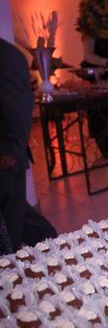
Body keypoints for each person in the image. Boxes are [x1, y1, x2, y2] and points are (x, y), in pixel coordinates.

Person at [0, 38, 57, 251]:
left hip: (5, 158)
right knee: (20, 217)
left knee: (12, 227)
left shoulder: (6, 56)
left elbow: (19, 106)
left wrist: (11, 151)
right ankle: (53, 246)